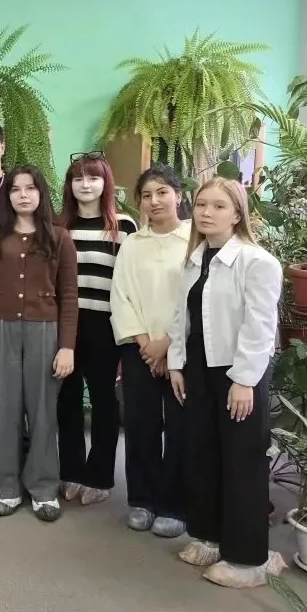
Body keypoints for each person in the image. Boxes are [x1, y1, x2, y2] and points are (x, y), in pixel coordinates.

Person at [168, 178, 286, 588]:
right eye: (201, 204)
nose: (206, 212)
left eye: (218, 206)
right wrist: (177, 364)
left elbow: (260, 327)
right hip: (198, 367)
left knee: (242, 461)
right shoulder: (195, 258)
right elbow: (182, 318)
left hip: (238, 373)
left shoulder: (258, 262)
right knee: (202, 453)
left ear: (237, 214)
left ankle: (248, 559)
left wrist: (244, 381)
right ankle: (209, 536)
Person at [0, 165, 78, 522]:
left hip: (45, 331)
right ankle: (5, 486)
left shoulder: (59, 238)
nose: (23, 195)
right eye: (15, 189)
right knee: (3, 411)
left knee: (43, 412)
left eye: (30, 188)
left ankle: (44, 488)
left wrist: (66, 346)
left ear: (40, 193)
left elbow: (69, 296)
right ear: (9, 196)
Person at [110, 165, 190, 538]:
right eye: (146, 195)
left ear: (178, 196)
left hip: (181, 349)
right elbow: (121, 295)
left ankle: (174, 505)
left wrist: (167, 344)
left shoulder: (195, 241)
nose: (154, 201)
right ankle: (142, 500)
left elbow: (195, 300)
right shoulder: (132, 244)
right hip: (139, 349)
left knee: (180, 428)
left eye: (162, 193)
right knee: (140, 425)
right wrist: (145, 343)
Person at [56, 152, 136, 506]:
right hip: (66, 324)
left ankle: (100, 476)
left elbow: (129, 282)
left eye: (93, 178)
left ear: (106, 183)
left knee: (104, 400)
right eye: (78, 178)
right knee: (67, 398)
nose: (85, 185)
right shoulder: (59, 226)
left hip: (106, 324)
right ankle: (71, 471)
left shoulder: (123, 226)